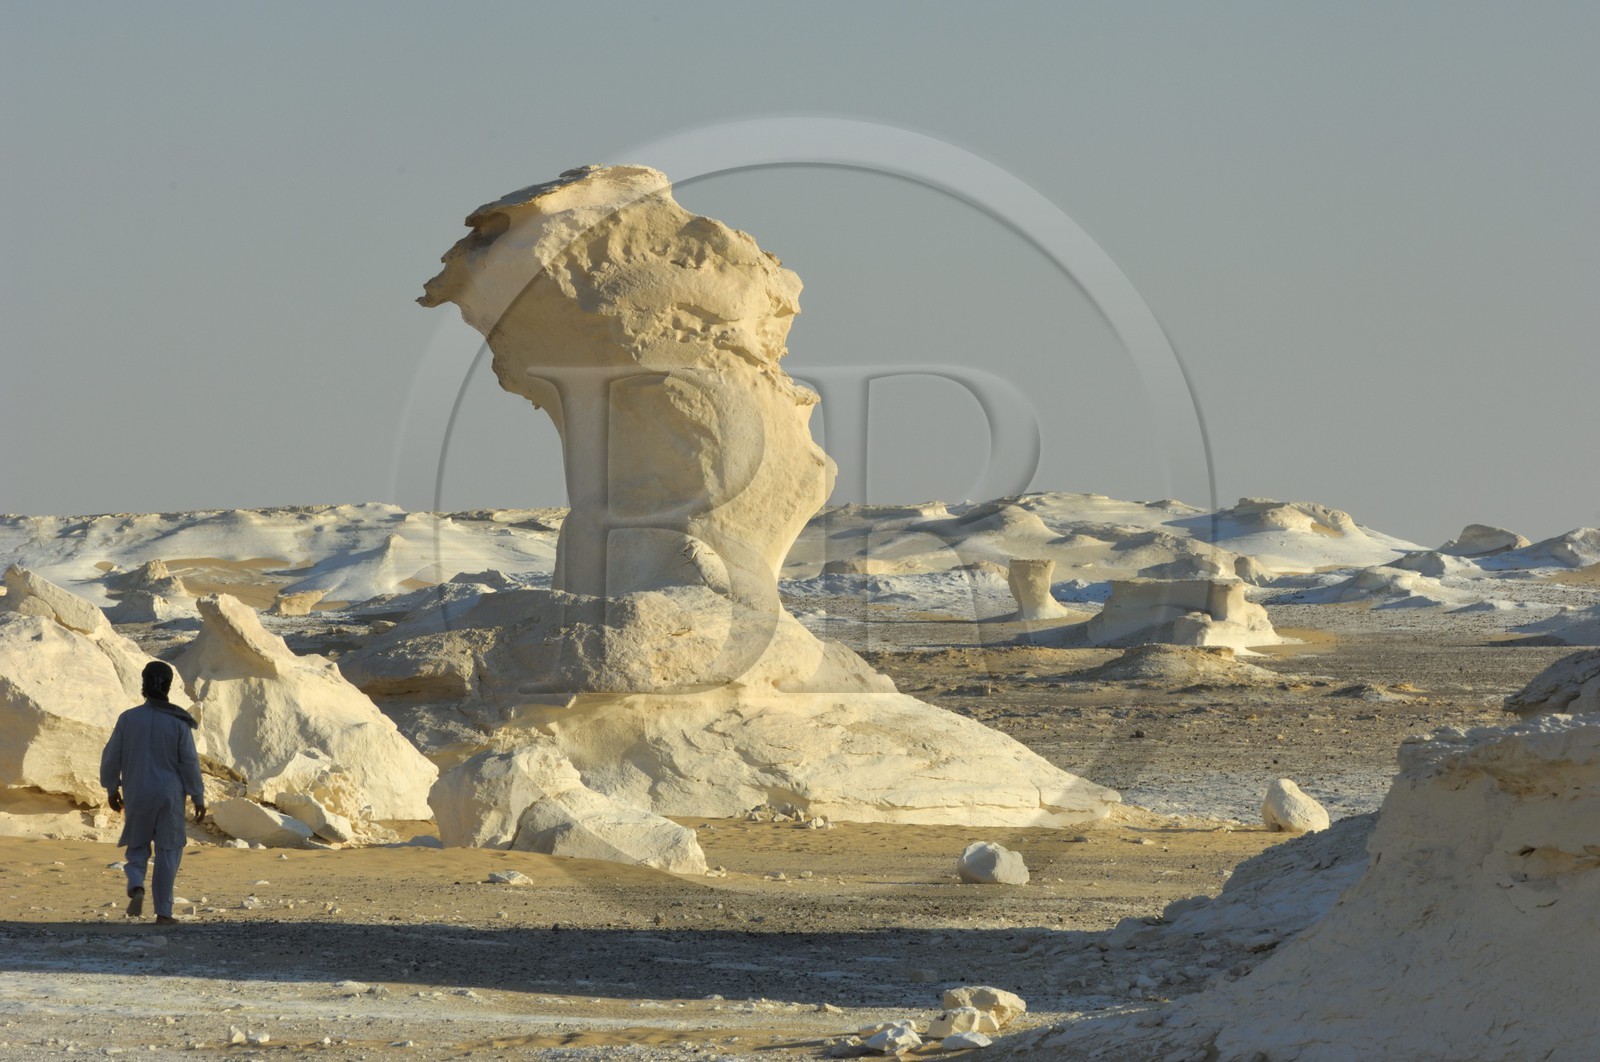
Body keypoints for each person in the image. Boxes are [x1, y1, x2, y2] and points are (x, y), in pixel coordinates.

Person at [100, 661, 205, 924]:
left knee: (137, 845)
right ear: (168, 686)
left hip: (137, 793)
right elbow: (189, 762)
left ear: (143, 684)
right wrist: (197, 795)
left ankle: (136, 883)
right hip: (169, 794)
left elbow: (111, 757)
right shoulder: (179, 723)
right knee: (168, 850)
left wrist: (112, 788)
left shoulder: (128, 718)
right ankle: (163, 912)